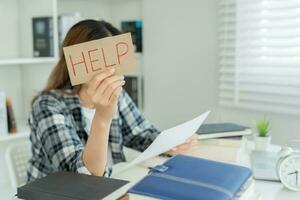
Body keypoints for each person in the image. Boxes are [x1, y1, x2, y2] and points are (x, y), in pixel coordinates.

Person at [27, 19, 197, 182]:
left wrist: (172, 143)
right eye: (96, 57)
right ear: (73, 62)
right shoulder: (47, 105)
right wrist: (102, 116)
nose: (105, 66)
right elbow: (82, 176)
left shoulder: (117, 94)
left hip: (112, 188)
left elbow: (141, 134)